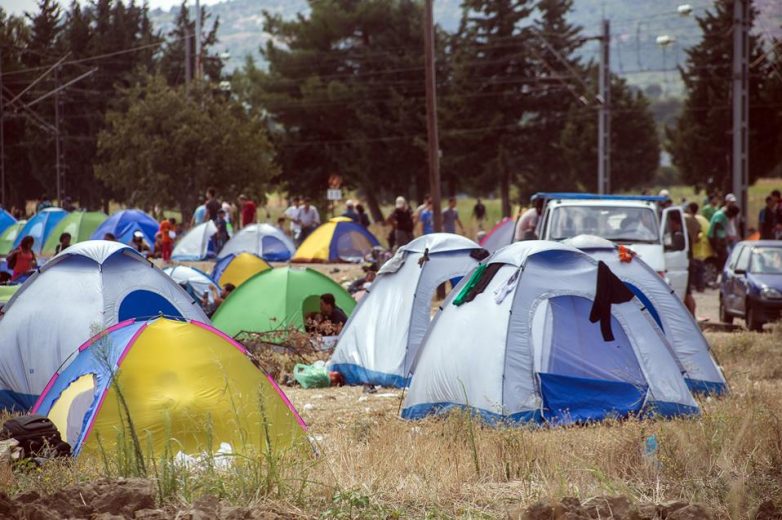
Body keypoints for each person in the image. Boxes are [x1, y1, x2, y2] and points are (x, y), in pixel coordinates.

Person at [708, 205, 740, 271]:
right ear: (730, 212)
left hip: (721, 238)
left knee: (726, 255)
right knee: (723, 256)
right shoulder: (721, 216)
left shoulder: (724, 216)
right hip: (715, 239)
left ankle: (720, 270)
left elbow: (721, 229)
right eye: (732, 215)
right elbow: (716, 229)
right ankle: (720, 271)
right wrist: (717, 244)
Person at [683, 204, 701, 315]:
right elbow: (699, 234)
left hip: (687, 258)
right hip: (691, 255)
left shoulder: (685, 219)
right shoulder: (696, 220)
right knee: (688, 292)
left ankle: (692, 315)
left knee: (687, 292)